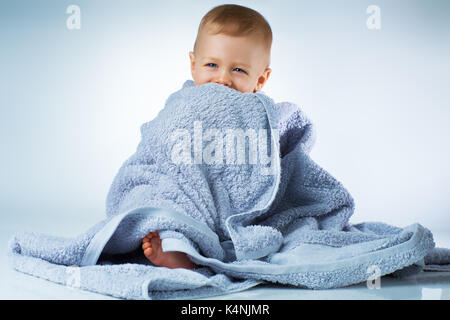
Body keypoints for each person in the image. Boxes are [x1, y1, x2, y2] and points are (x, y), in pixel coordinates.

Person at [142, 4, 273, 269]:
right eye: (212, 65)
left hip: (234, 208)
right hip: (187, 191)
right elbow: (159, 140)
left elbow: (278, 160)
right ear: (193, 65)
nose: (222, 79)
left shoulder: (259, 114)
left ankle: (191, 251)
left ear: (260, 79)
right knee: (159, 201)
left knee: (280, 224)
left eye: (238, 70)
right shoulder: (183, 103)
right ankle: (178, 249)